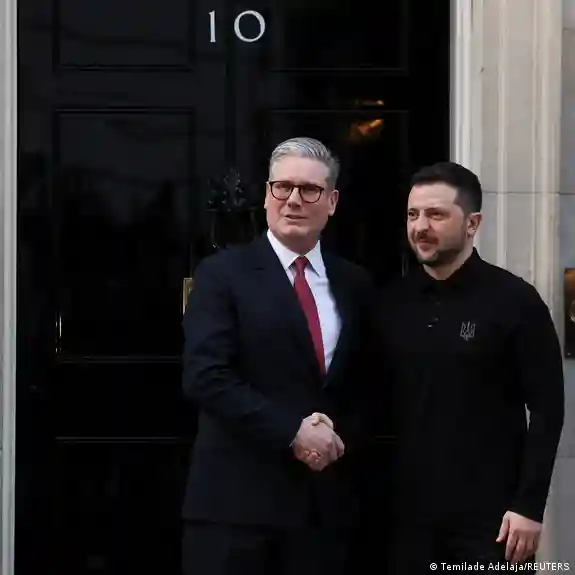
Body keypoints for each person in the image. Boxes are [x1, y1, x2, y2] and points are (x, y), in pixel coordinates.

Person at [181, 136, 375, 575]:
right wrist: (293, 432)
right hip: (236, 511)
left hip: (324, 513)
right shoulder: (221, 276)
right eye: (282, 187)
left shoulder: (355, 284)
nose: (293, 200)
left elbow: (368, 383)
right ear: (267, 195)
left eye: (309, 189)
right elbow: (206, 376)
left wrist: (337, 436)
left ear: (332, 202)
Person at [378, 161, 565, 573]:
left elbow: (548, 409)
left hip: (492, 523)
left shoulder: (515, 301)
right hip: (405, 521)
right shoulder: (390, 303)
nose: (420, 226)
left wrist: (529, 506)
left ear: (472, 223)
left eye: (436, 214)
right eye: (413, 214)